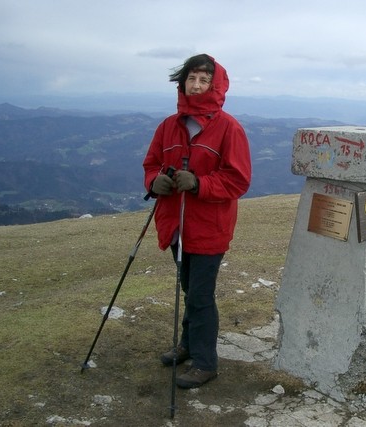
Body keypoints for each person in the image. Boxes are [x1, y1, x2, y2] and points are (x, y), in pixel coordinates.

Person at [142, 54, 251, 388]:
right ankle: (189, 346)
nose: (197, 85)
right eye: (192, 78)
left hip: (208, 228)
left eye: (205, 79)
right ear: (183, 83)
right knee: (190, 288)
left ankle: (205, 362)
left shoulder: (228, 128)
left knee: (200, 295)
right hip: (176, 225)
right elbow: (152, 164)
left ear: (216, 85)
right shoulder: (168, 126)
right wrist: (155, 181)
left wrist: (200, 184)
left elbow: (238, 180)